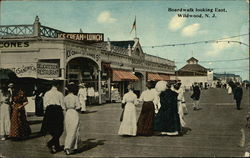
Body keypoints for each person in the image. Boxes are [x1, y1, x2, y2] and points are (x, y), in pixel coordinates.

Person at [40, 81, 64, 154]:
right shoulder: (60, 94)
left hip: (49, 110)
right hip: (57, 110)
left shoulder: (47, 93)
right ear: (57, 85)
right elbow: (62, 104)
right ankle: (51, 143)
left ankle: (56, 146)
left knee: (51, 129)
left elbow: (45, 104)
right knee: (59, 129)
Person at [63, 83, 81, 155]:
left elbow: (63, 107)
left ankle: (72, 146)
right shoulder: (75, 97)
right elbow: (78, 107)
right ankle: (68, 147)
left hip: (67, 113)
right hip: (74, 113)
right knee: (75, 130)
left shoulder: (65, 97)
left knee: (69, 130)